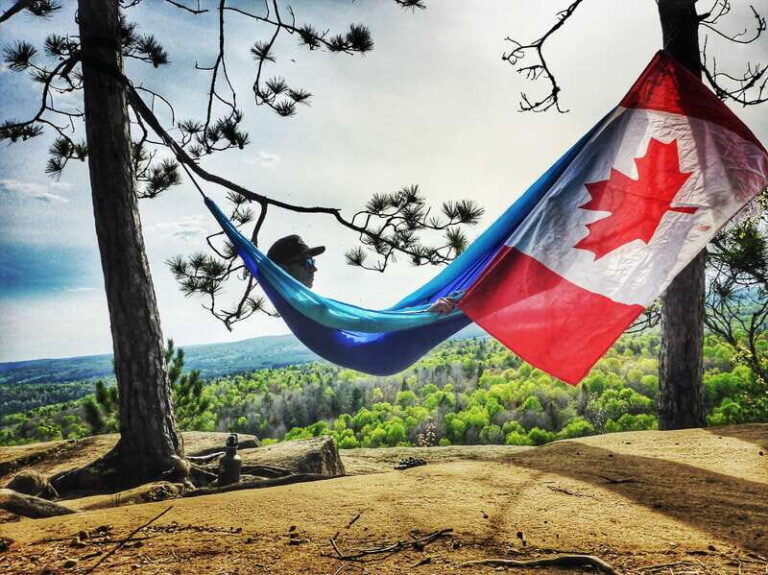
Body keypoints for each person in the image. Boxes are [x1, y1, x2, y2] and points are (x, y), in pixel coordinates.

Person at [267, 234, 459, 313]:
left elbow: (370, 320)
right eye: (306, 262)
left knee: (461, 295)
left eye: (313, 261)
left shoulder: (299, 303)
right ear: (281, 270)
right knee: (465, 296)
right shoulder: (307, 306)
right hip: (381, 346)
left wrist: (422, 311)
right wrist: (425, 313)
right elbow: (368, 324)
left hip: (383, 344)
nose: (314, 268)